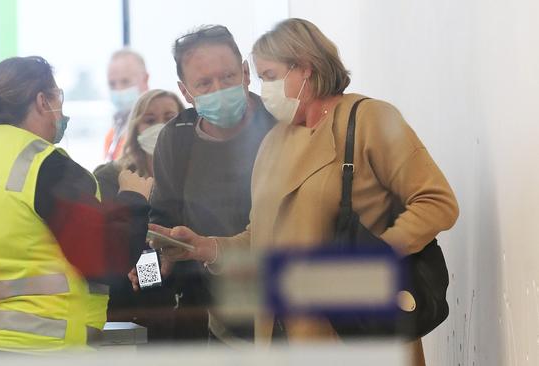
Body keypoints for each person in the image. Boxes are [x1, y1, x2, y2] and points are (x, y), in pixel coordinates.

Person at [142, 18, 459, 365]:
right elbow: (254, 235)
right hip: (263, 330)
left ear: (305, 68)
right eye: (204, 83)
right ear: (185, 90)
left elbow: (436, 202)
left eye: (267, 76)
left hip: (358, 328)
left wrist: (376, 256)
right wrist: (203, 250)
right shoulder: (264, 141)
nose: (262, 89)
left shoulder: (367, 119)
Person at [0, 56, 152, 353]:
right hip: (43, 347)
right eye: (57, 97)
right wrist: (134, 198)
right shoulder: (49, 168)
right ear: (42, 101)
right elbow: (105, 259)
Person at [136, 25, 276, 344]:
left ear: (245, 72)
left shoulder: (280, 125)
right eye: (204, 83)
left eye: (227, 77)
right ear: (186, 91)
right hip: (217, 320)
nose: (219, 89)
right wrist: (148, 271)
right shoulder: (177, 137)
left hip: (289, 312)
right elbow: (159, 225)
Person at [93, 89, 184, 335]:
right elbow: (119, 246)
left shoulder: (196, 179)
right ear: (136, 128)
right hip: (124, 312)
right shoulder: (111, 178)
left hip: (185, 310)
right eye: (150, 120)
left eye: (169, 118)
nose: (161, 127)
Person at [104, 48, 150, 161]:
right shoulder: (113, 134)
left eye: (125, 81)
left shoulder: (156, 128)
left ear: (145, 79)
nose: (118, 89)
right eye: (112, 84)